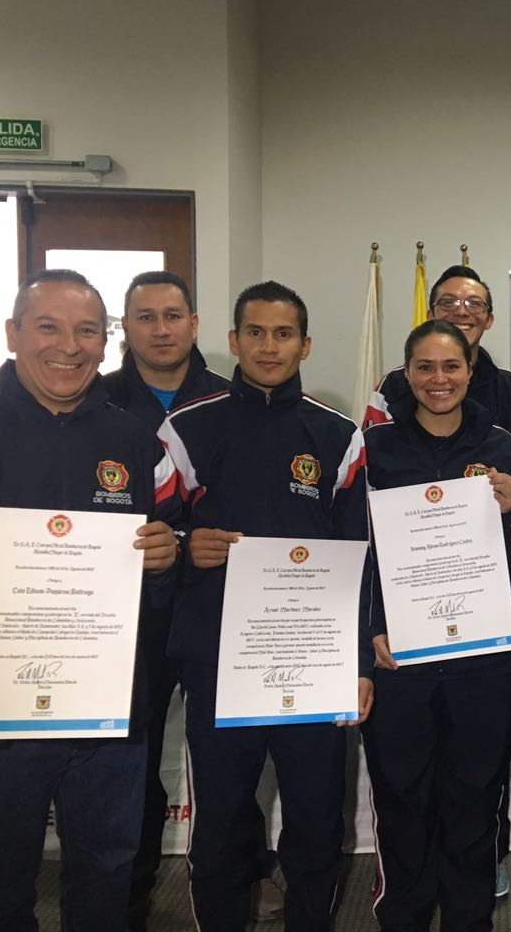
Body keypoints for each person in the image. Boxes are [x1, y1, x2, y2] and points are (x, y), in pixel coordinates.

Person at [0, 269, 179, 931]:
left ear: (106, 345)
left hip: (108, 720)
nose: (68, 346)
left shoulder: (141, 445)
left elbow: (161, 585)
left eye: (85, 331)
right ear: (13, 334)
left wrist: (167, 560)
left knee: (106, 883)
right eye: (48, 327)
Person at [157, 280, 372, 932]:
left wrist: (358, 661)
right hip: (221, 663)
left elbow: (361, 554)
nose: (269, 346)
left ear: (305, 343)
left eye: (284, 334)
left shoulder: (339, 436)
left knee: (314, 822)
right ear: (232, 341)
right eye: (255, 332)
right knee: (220, 824)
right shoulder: (186, 428)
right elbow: (152, 537)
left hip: (314, 662)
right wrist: (191, 546)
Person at [361, 319, 511, 931]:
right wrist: (371, 627)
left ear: (470, 369)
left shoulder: (504, 449)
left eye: (451, 367)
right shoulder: (374, 451)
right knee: (401, 799)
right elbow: (360, 550)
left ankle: (468, 920)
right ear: (407, 374)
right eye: (425, 368)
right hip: (400, 657)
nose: (439, 379)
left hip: (483, 659)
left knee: (474, 801)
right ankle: (401, 918)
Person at [100, 269, 231, 930]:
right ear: (127, 327)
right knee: (133, 763)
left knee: (230, 761)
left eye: (172, 315)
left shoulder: (233, 401)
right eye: (145, 316)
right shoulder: (93, 400)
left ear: (195, 324)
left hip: (217, 608)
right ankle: (130, 892)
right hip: (125, 614)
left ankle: (242, 876)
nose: (160, 329)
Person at [365, 265, 511, 450]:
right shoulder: (393, 384)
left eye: (474, 303)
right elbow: (371, 457)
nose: (462, 312)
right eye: (448, 302)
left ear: (489, 320)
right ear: (430, 317)